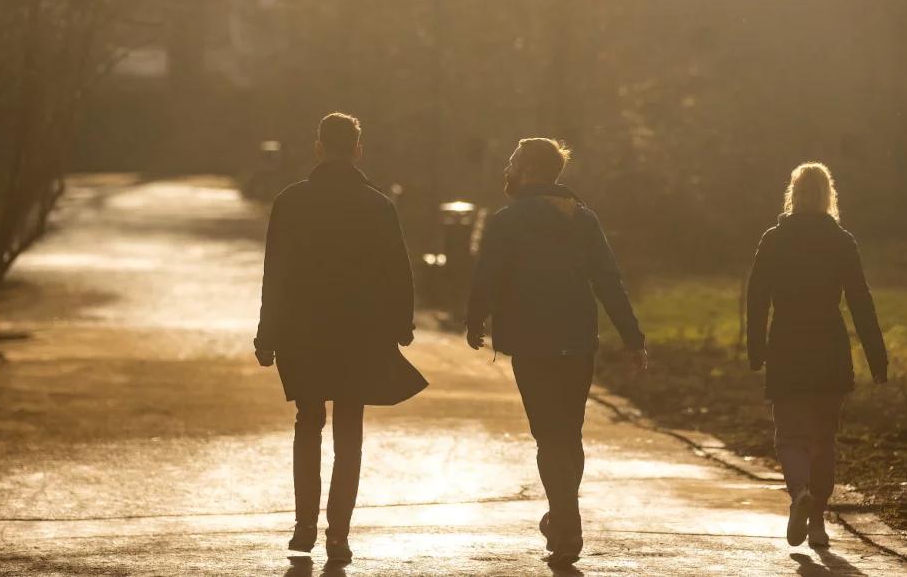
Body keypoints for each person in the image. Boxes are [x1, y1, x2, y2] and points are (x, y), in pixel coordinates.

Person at [465, 138, 648, 567]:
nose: (507, 169)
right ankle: (563, 519)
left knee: (548, 435)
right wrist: (633, 337)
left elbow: (487, 273)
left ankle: (568, 522)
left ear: (528, 170)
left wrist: (476, 319)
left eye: (513, 162)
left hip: (531, 340)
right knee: (569, 433)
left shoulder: (508, 220)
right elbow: (609, 281)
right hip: (578, 339)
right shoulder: (583, 218)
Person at [254, 113, 427, 564]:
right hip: (359, 333)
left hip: (301, 331)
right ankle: (339, 534)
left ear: (317, 148)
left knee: (308, 424)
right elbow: (397, 271)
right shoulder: (377, 205)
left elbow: (277, 272)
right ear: (357, 149)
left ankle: (304, 524)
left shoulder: (290, 202)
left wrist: (266, 334)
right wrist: (401, 325)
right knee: (350, 431)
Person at [746, 162, 888, 549]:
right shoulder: (841, 241)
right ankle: (819, 524)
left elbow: (756, 299)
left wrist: (755, 349)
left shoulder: (773, 239)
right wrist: (877, 358)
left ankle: (799, 496)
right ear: (829, 195)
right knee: (824, 438)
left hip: (787, 345)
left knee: (790, 436)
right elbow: (861, 301)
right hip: (829, 346)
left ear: (793, 193)